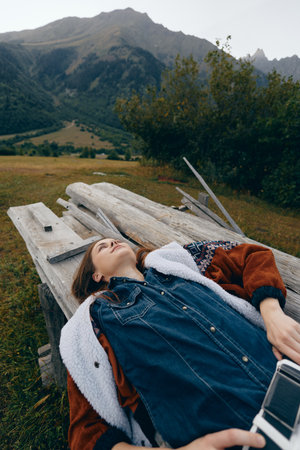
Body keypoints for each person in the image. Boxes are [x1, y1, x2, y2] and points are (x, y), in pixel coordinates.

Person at [60, 238, 300, 450]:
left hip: (288, 373)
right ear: (97, 276)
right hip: (243, 430)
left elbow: (250, 254)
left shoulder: (179, 263)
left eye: (114, 240)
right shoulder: (95, 321)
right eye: (103, 247)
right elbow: (86, 433)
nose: (112, 243)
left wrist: (272, 314)